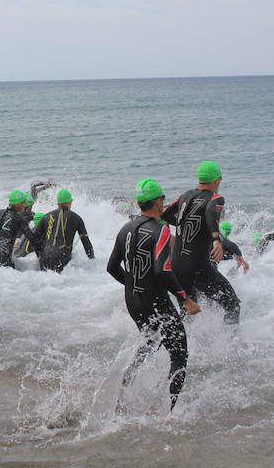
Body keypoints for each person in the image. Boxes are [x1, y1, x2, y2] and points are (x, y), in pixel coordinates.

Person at [107, 179, 201, 410]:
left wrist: (134, 285)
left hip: (133, 300)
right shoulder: (161, 230)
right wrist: (185, 299)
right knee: (179, 355)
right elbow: (163, 269)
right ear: (159, 202)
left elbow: (112, 267)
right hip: (155, 299)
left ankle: (122, 394)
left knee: (149, 342)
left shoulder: (125, 229)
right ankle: (171, 411)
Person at [161, 161, 241, 324]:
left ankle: (187, 346)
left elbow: (165, 214)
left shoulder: (185, 195)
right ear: (217, 179)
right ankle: (231, 345)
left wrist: (182, 222)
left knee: (188, 315)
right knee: (233, 305)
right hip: (197, 267)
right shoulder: (216, 198)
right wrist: (216, 239)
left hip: (176, 266)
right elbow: (211, 211)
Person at [29, 189, 94, 272]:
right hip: (62, 259)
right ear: (70, 202)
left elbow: (34, 240)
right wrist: (92, 262)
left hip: (45, 258)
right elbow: (86, 242)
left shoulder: (45, 217)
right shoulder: (76, 218)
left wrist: (40, 255)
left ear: (57, 203)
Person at [0, 189, 37, 268]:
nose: (25, 205)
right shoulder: (18, 218)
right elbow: (32, 239)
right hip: (3, 262)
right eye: (23, 203)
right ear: (18, 204)